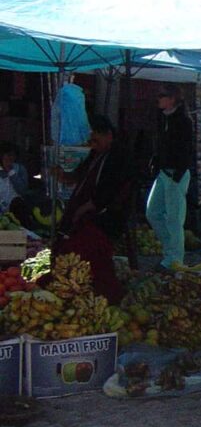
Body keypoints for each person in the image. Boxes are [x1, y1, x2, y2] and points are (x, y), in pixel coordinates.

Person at [49, 115, 131, 302]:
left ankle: (103, 296)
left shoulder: (120, 156)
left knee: (86, 253)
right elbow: (80, 174)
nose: (93, 145)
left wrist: (87, 207)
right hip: (85, 214)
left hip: (105, 218)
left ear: (108, 135)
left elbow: (111, 190)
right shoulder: (97, 154)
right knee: (62, 245)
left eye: (96, 140)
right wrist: (62, 175)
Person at [146, 84, 193, 270]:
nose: (158, 99)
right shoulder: (162, 118)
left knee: (174, 219)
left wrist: (178, 173)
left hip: (176, 174)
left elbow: (186, 150)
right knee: (152, 212)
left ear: (172, 98)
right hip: (163, 172)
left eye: (162, 95)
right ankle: (169, 251)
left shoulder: (183, 121)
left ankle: (175, 260)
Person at [0, 143, 30, 225]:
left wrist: (11, 172)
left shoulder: (20, 169)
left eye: (12, 156)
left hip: (16, 207)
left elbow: (22, 190)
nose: (10, 158)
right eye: (8, 155)